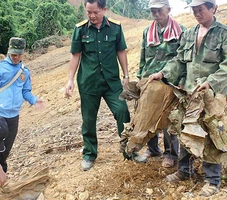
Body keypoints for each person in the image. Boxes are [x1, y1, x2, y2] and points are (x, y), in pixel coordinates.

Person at [148, 0, 227, 196]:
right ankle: (184, 170)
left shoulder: (223, 34)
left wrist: (211, 82)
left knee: (211, 135)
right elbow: (179, 61)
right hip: (190, 92)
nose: (197, 14)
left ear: (212, 8)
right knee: (185, 130)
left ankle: (212, 179)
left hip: (211, 95)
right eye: (194, 10)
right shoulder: (190, 34)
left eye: (200, 10)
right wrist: (163, 73)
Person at [65, 0, 130, 171]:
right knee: (88, 119)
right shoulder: (80, 29)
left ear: (104, 9)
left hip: (111, 82)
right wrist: (70, 80)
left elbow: (121, 51)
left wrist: (126, 75)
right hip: (88, 82)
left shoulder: (115, 27)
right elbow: (75, 56)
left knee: (122, 111)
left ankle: (129, 150)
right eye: (89, 12)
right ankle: (89, 154)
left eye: (95, 12)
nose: (92, 16)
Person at [0, 37, 44, 189]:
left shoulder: (25, 72)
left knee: (5, 149)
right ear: (9, 52)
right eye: (13, 54)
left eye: (18, 55)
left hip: (13, 117)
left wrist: (34, 100)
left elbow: (26, 91)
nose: (15, 58)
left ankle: (1, 175)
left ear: (23, 54)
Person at [135, 0, 186, 167]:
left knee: (169, 119)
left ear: (168, 10)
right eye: (153, 11)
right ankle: (152, 148)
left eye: (159, 10)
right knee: (148, 115)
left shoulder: (180, 31)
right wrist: (140, 78)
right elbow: (143, 56)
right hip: (150, 79)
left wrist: (182, 81)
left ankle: (170, 153)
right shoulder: (147, 32)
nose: (156, 14)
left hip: (170, 81)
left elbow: (183, 59)